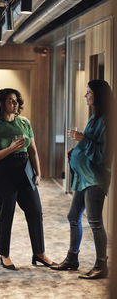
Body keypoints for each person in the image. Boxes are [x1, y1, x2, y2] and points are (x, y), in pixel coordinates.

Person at [50, 80, 112, 279]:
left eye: (89, 92)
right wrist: (76, 148)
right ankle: (72, 258)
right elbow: (90, 142)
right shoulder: (95, 117)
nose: (86, 96)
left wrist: (82, 140)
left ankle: (101, 265)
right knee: (73, 216)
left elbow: (104, 155)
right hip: (84, 176)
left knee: (94, 221)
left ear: (98, 96)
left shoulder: (108, 120)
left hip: (95, 178)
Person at [0, 88, 52, 270]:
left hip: (24, 170)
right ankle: (5, 255)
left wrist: (38, 172)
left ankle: (39, 253)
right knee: (6, 214)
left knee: (35, 211)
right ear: (1, 104)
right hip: (3, 173)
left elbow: (32, 149)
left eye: (16, 100)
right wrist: (10, 148)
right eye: (10, 100)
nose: (15, 103)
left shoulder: (24, 122)